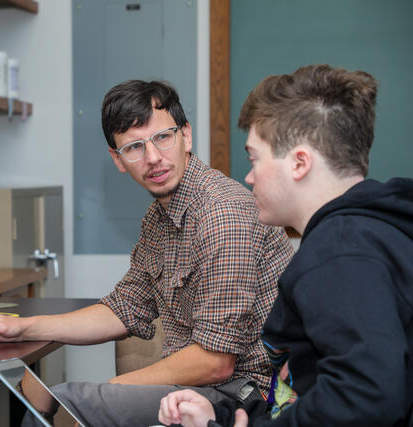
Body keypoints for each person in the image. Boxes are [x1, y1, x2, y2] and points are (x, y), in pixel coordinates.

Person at [0, 80, 294, 426]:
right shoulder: (158, 218)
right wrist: (20, 328)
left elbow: (216, 361)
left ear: (186, 136)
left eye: (163, 137)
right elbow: (125, 308)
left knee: (68, 403)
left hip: (247, 398)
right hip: (203, 388)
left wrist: (111, 390)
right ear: (117, 159)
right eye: (134, 147)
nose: (154, 158)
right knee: (61, 400)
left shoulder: (222, 213)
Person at [158, 64, 413, 427]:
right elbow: (300, 394)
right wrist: (224, 416)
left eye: (254, 158)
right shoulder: (362, 237)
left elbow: (367, 396)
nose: (248, 177)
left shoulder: (341, 252)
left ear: (299, 163)